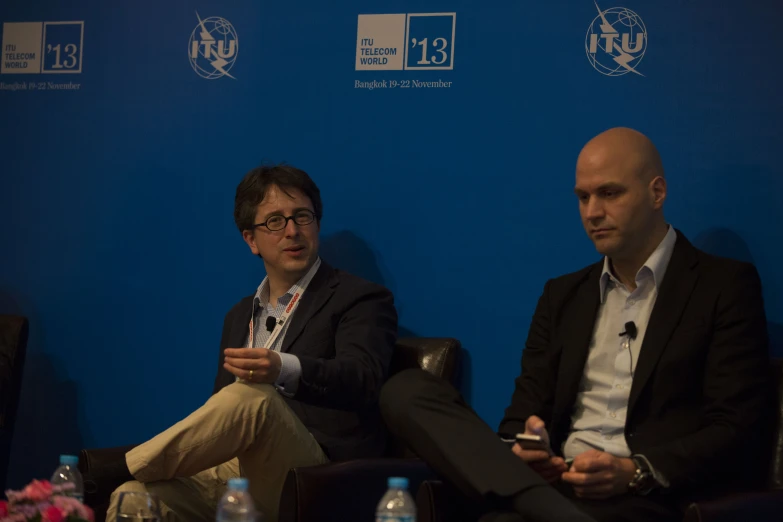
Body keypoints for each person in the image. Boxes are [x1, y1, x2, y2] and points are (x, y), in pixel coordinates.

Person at [380, 128, 770, 522]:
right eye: (583, 197)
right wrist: (528, 448)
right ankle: (544, 504)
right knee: (405, 390)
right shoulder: (562, 295)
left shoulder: (722, 286)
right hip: (557, 485)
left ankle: (535, 504)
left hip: (644, 499)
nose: (592, 212)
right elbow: (521, 418)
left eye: (610, 193)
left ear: (657, 193)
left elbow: (735, 429)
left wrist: (634, 472)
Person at [107, 164, 398, 522]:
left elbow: (363, 378)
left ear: (317, 224)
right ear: (251, 240)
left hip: (319, 474)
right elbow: (222, 411)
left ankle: (118, 468)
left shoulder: (359, 298)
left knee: (253, 396)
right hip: (236, 471)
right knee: (133, 498)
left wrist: (282, 367)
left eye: (302, 217)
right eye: (274, 221)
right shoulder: (239, 314)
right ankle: (130, 478)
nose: (292, 231)